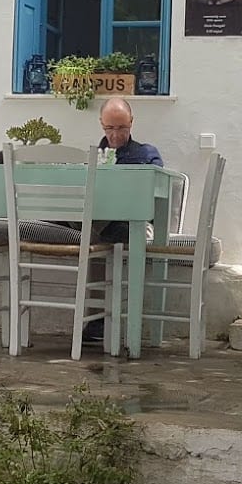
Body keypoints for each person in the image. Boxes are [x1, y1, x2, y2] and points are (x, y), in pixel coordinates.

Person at [83, 97, 163, 343]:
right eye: (109, 128)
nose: (115, 134)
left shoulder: (146, 154)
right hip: (102, 224)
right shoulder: (94, 157)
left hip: (133, 223)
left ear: (131, 123)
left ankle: (103, 322)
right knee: (90, 232)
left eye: (122, 128)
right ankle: (97, 320)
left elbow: (156, 196)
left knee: (95, 237)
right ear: (101, 125)